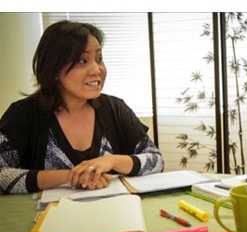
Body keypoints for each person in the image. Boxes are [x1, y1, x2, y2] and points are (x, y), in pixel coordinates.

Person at [0, 20, 164, 194]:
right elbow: (2, 175)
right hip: (46, 218)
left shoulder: (115, 108)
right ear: (54, 69)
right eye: (81, 60)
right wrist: (71, 176)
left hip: (114, 214)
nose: (97, 69)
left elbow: (156, 160)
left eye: (99, 59)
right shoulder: (23, 114)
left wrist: (112, 161)